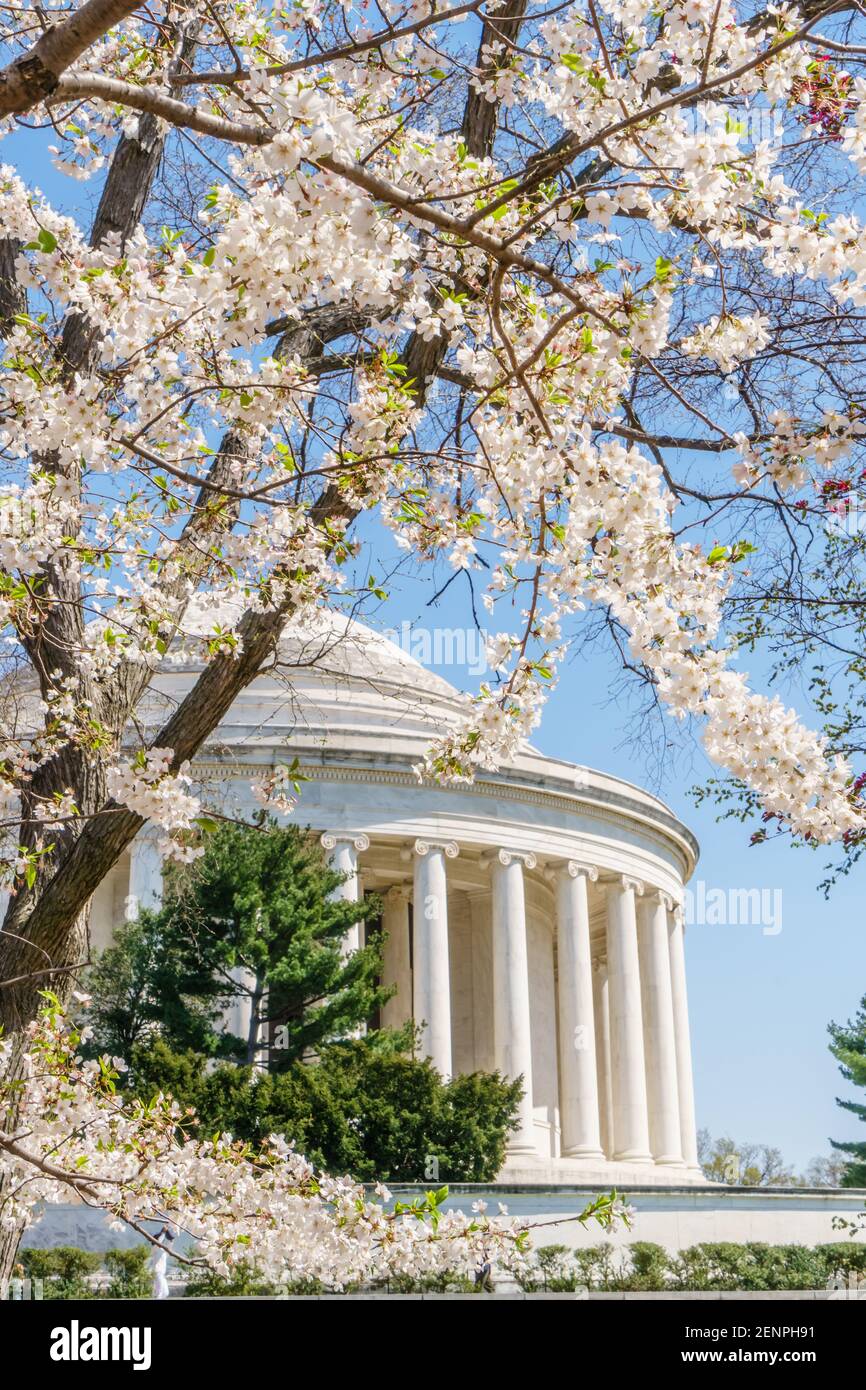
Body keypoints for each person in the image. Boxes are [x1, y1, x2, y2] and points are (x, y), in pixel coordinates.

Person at [151, 1224, 177, 1299]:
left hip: (162, 1274)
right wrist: (162, 1233)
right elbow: (158, 1241)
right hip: (157, 1272)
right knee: (159, 1293)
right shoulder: (154, 1249)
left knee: (166, 1292)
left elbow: (169, 1246)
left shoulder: (163, 1251)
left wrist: (170, 1238)